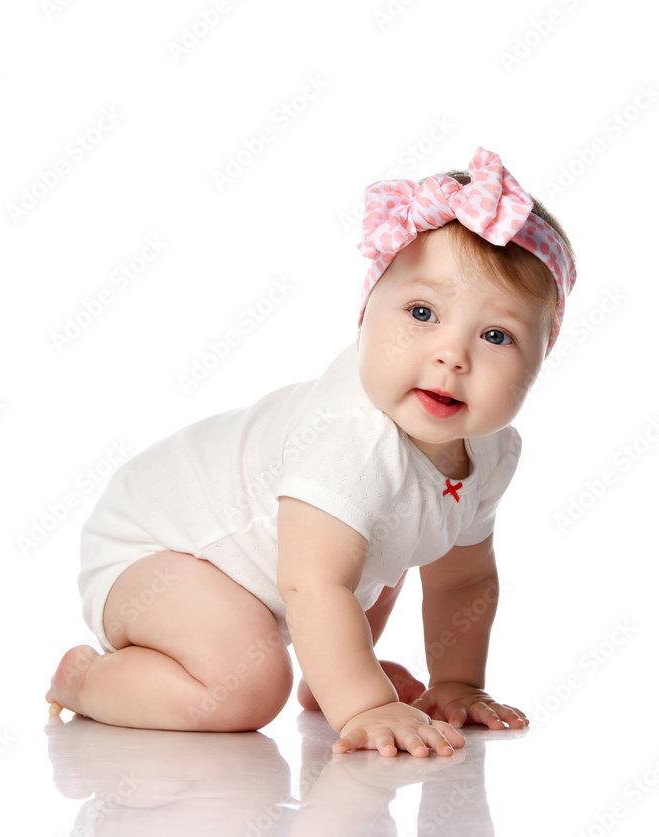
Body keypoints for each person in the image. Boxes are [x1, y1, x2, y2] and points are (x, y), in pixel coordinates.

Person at [47, 147, 577, 758]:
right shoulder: (348, 436)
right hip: (158, 553)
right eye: (422, 312)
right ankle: (89, 680)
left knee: (400, 538)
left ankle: (334, 675)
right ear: (365, 313)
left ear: (542, 355)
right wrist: (367, 705)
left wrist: (458, 684)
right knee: (247, 688)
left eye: (496, 336)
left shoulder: (491, 450)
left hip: (283, 571)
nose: (452, 355)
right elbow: (313, 585)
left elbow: (464, 579)